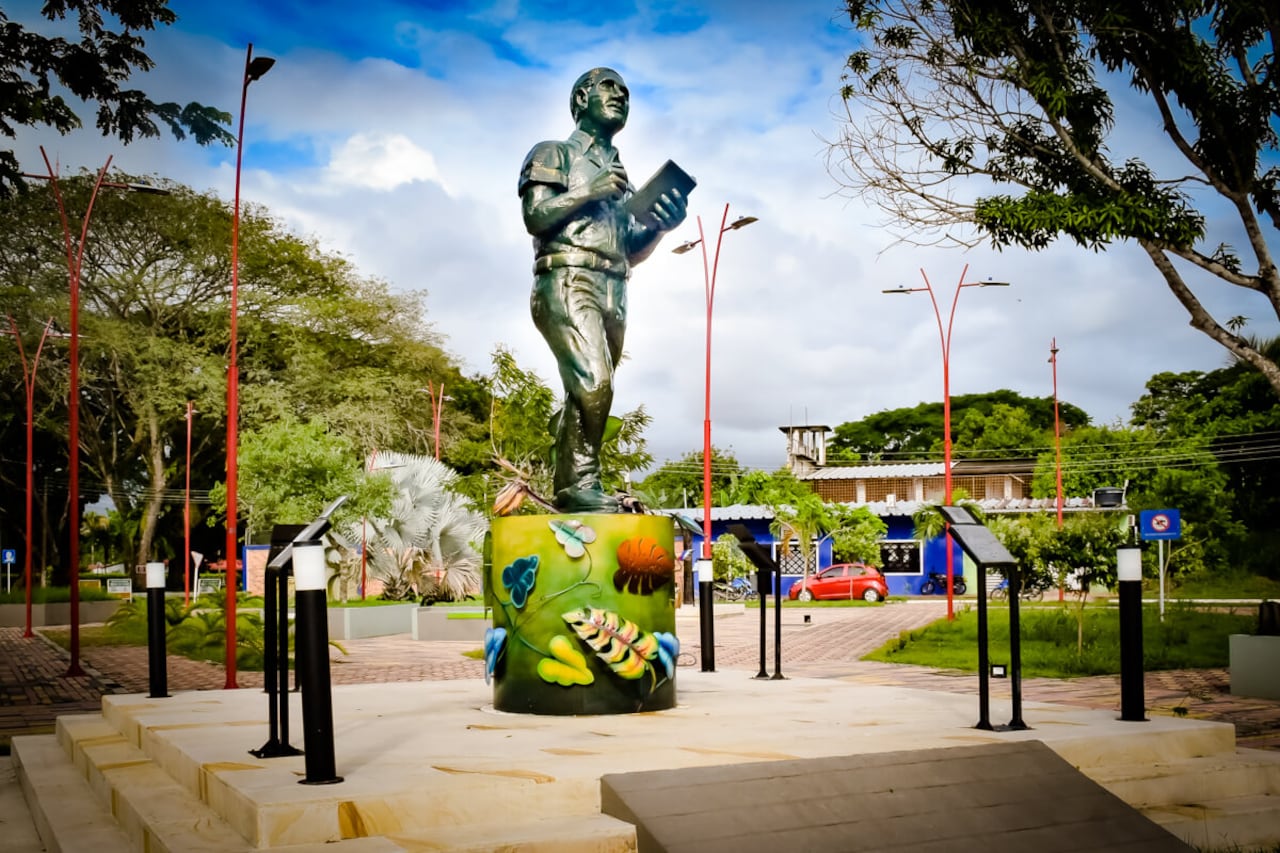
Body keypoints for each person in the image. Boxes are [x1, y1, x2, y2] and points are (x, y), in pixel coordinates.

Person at [519, 67, 687, 513]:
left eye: (626, 91)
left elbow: (631, 249)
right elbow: (535, 217)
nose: (620, 95)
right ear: (580, 100)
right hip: (568, 277)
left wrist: (660, 228)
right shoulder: (553, 154)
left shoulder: (621, 177)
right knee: (595, 381)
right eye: (608, 87)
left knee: (589, 391)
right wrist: (588, 191)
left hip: (615, 285)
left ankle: (572, 484)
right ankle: (580, 485)